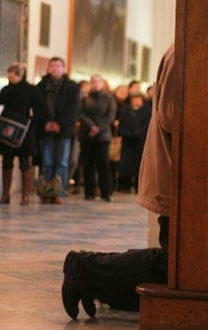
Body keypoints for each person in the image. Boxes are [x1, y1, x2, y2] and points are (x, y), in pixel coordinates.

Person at [62, 44, 178, 318]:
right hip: (179, 174)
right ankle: (86, 269)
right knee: (174, 263)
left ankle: (90, 275)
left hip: (189, 176)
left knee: (179, 264)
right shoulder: (186, 46)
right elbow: (173, 115)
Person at [0, 62, 45, 206]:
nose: (11, 77)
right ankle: (5, 194)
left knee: (24, 162)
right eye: (10, 74)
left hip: (24, 129)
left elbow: (40, 108)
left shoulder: (31, 90)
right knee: (6, 161)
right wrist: (10, 87)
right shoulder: (7, 89)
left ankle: (25, 195)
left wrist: (32, 121)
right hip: (7, 127)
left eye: (14, 74)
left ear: (21, 75)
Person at [35, 57, 80, 204]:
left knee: (62, 162)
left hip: (64, 129)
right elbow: (38, 107)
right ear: (48, 68)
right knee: (47, 161)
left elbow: (73, 108)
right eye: (52, 65)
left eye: (58, 65)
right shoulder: (41, 86)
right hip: (46, 128)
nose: (55, 68)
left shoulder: (72, 86)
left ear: (63, 68)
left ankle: (59, 192)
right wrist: (46, 123)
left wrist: (59, 123)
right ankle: (46, 192)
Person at [78, 74, 116, 202]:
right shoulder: (85, 98)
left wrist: (98, 128)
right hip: (87, 135)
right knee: (88, 164)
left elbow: (110, 115)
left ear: (103, 83)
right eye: (93, 82)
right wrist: (91, 127)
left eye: (98, 81)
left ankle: (106, 192)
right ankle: (89, 192)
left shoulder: (109, 98)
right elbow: (81, 114)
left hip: (102, 136)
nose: (95, 84)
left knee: (103, 164)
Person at [117, 92, 151, 193]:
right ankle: (125, 186)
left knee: (139, 164)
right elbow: (122, 124)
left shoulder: (147, 111)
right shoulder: (125, 110)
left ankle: (138, 186)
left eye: (139, 99)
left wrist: (138, 133)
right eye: (134, 99)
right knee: (126, 164)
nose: (136, 101)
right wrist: (129, 133)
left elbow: (147, 124)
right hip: (128, 141)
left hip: (140, 141)